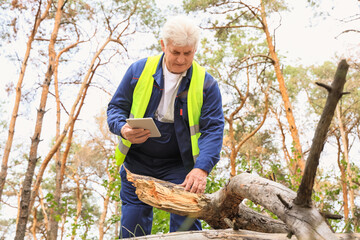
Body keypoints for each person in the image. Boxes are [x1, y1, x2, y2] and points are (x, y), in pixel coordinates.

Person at [107, 15, 224, 238]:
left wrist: (201, 169)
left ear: (195, 49)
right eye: (175, 52)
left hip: (181, 165)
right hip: (137, 162)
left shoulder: (206, 84)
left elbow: (213, 129)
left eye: (187, 53)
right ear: (163, 45)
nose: (181, 60)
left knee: (185, 230)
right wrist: (123, 129)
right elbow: (115, 108)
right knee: (133, 229)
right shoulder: (138, 71)